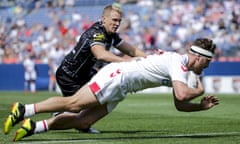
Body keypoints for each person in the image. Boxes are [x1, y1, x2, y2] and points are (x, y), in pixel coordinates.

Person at [4, 38, 219, 141]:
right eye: (206, 63)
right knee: (74, 103)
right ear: (198, 57)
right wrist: (198, 91)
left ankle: (34, 127)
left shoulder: (178, 65)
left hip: (122, 88)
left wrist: (200, 106)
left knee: (83, 121)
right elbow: (182, 95)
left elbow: (179, 104)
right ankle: (24, 109)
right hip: (117, 78)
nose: (206, 67)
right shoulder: (178, 63)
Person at [51, 3, 146, 133]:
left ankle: (78, 120)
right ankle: (61, 114)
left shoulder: (111, 35)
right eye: (114, 20)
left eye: (119, 21)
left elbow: (130, 49)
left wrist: (150, 59)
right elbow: (100, 54)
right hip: (69, 75)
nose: (117, 24)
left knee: (102, 96)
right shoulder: (96, 32)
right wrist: (126, 62)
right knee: (79, 105)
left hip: (85, 74)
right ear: (104, 19)